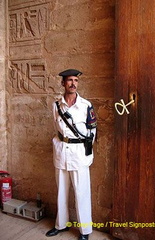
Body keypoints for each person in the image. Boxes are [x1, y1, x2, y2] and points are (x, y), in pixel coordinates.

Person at [46, 69, 97, 240]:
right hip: (61, 152)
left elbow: (92, 132)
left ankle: (84, 231)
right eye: (69, 80)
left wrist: (86, 154)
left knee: (81, 193)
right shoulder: (56, 106)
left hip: (79, 155)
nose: (73, 83)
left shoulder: (86, 106)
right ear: (63, 83)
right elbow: (57, 128)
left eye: (76, 80)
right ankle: (61, 225)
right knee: (61, 191)